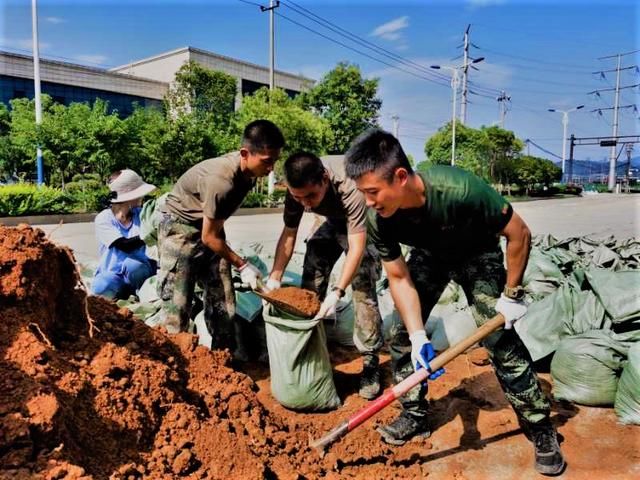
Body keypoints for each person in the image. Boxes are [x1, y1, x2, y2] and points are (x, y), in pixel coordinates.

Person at [343, 129, 565, 476]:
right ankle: (415, 415)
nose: (368, 202)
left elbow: (518, 232)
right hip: (432, 256)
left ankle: (539, 425)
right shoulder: (379, 219)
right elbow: (400, 278)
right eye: (363, 194)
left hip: (478, 253)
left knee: (499, 339)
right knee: (400, 335)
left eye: (372, 192)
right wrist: (418, 336)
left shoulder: (459, 190)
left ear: (400, 177)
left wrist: (512, 295)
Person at [157, 119, 284, 355]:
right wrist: (243, 264)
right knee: (177, 306)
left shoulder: (247, 173)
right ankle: (175, 366)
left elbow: (213, 229)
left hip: (208, 229)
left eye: (275, 161)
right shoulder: (221, 180)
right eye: (267, 161)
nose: (271, 169)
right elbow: (208, 236)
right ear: (246, 153)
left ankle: (223, 361)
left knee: (223, 299)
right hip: (180, 231)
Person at [267, 152, 384, 399]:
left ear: (325, 178)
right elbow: (289, 234)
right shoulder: (297, 193)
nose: (306, 203)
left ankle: (370, 360)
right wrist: (275, 276)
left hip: (364, 223)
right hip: (332, 219)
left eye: (311, 195)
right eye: (299, 197)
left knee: (362, 283)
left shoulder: (350, 185)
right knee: (314, 261)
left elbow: (356, 246)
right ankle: (307, 343)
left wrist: (337, 292)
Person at [92, 169, 157, 300]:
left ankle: (141, 292)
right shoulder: (104, 218)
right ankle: (120, 292)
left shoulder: (141, 214)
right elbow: (125, 245)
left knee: (132, 265)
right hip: (114, 273)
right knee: (101, 286)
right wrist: (149, 235)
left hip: (139, 271)